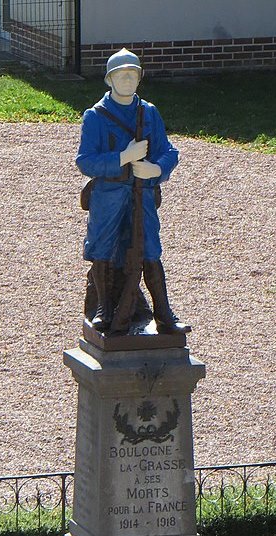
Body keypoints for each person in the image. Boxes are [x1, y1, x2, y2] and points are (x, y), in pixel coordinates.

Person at [76, 48, 190, 335]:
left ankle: (163, 312)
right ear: (109, 79)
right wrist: (122, 158)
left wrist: (156, 170)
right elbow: (85, 161)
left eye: (132, 74)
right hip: (109, 192)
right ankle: (103, 308)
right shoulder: (96, 116)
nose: (127, 79)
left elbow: (169, 151)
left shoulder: (149, 112)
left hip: (143, 193)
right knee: (102, 246)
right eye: (121, 74)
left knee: (150, 248)